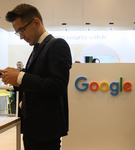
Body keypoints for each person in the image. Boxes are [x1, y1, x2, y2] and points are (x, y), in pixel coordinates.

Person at [0, 3, 72, 150]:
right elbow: (36, 82)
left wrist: (20, 77)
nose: (21, 36)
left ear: (36, 22)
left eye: (22, 30)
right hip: (33, 127)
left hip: (46, 130)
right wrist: (14, 78)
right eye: (17, 32)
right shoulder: (36, 49)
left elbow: (57, 85)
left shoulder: (57, 45)